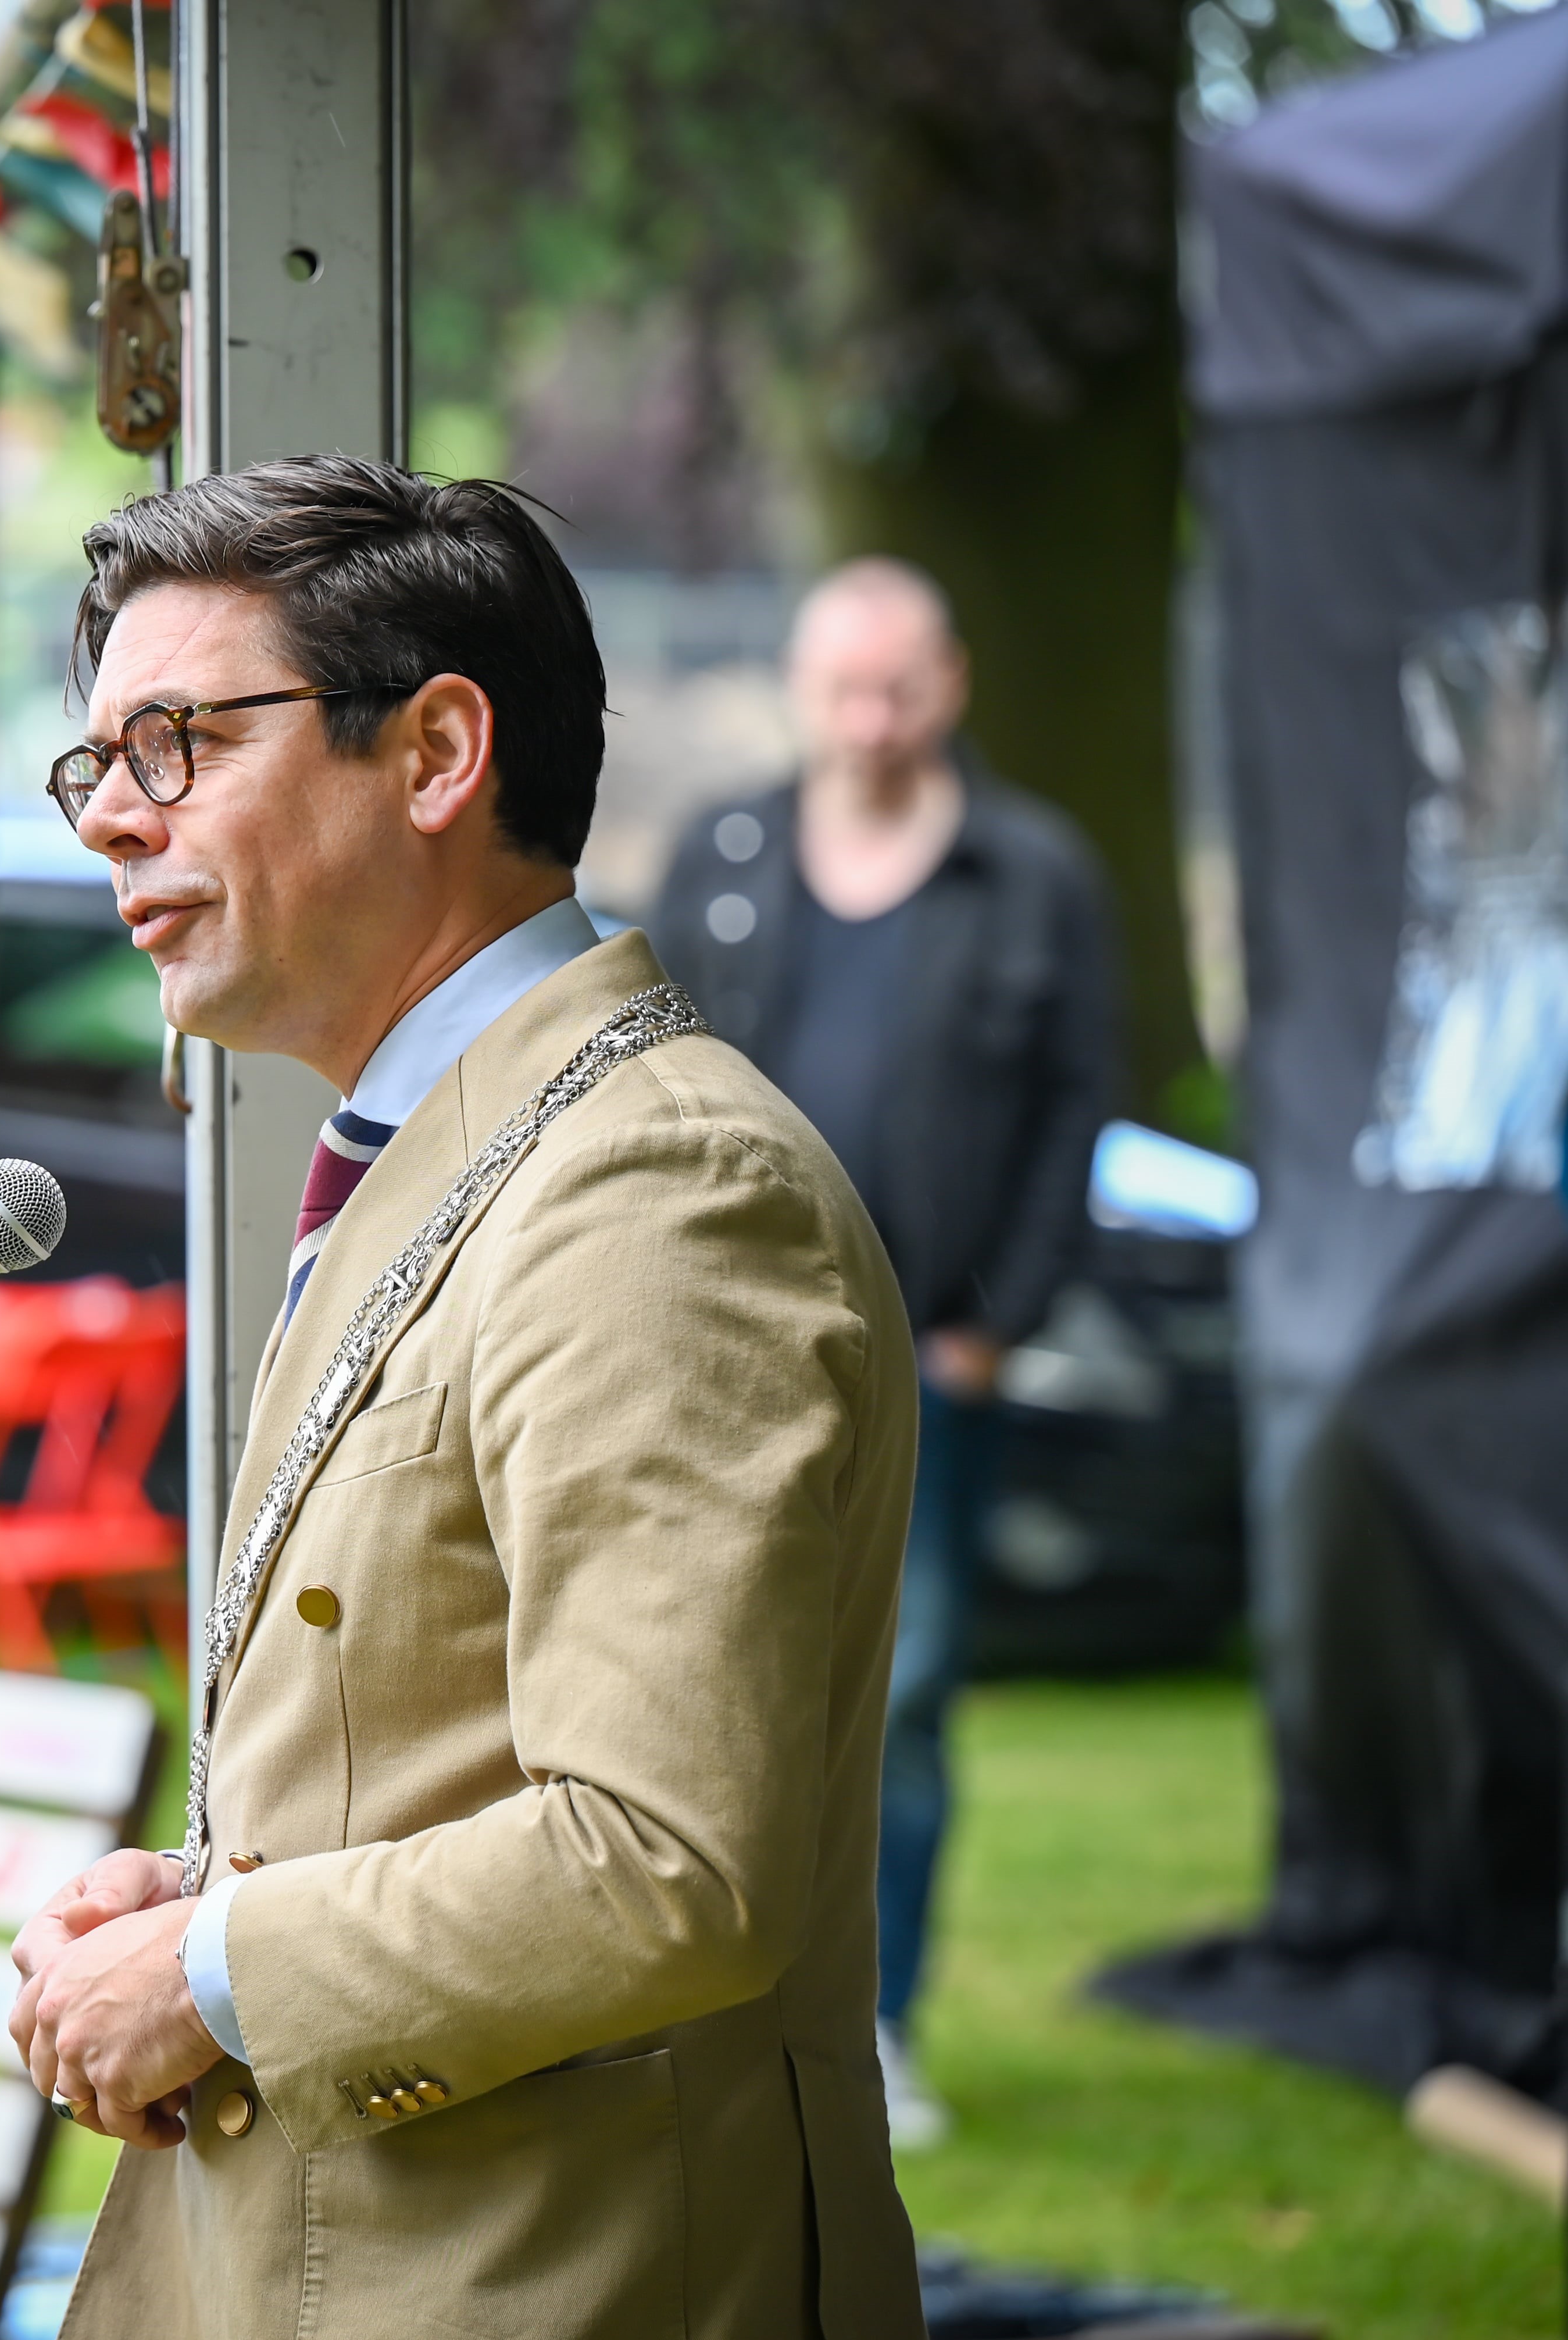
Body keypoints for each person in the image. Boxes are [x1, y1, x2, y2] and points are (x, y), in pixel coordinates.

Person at [6, 457, 926, 2339]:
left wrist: (216, 1970)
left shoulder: (658, 1187)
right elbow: (441, 1722)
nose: (108, 813)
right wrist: (199, 1894)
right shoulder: (472, 1139)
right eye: (93, 758)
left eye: (177, 742)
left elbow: (667, 1857)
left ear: (433, 753)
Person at [652, 558, 1111, 2150]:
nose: (870, 719)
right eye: (844, 687)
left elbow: (1079, 1106)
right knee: (700, 1678)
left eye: (899, 687)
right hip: (728, 1350)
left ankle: (877, 2018)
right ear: (802, 687)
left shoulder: (1034, 875)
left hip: (930, 1361)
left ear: (952, 685)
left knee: (903, 1693)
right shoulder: (723, 853)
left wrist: (1005, 1318)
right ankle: (707, 2011)